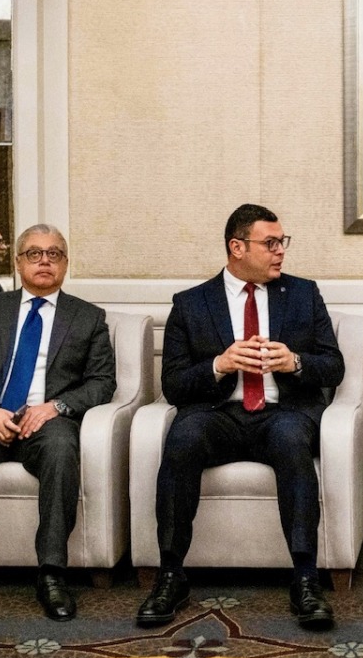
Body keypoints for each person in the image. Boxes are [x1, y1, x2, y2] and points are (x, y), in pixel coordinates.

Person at [136, 204, 345, 631]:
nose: (280, 251)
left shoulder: (304, 294)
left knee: (292, 441)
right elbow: (173, 384)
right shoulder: (191, 304)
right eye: (270, 243)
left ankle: (305, 578)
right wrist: (220, 364)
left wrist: (296, 363)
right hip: (218, 414)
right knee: (182, 439)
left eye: (282, 242)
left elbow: (333, 366)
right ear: (237, 247)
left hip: (282, 412)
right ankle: (171, 575)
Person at [0, 224, 116, 623]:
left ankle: (51, 573)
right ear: (17, 262)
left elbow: (102, 382)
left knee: (63, 452)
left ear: (65, 263)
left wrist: (57, 406)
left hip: (45, 421)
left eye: (54, 254)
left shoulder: (88, 317)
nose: (44, 261)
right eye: (34, 253)